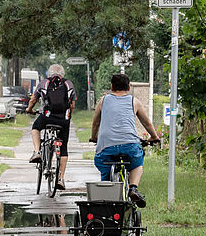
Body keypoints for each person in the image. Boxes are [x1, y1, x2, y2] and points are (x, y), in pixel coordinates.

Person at [90, 73, 160, 208]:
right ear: (128, 87)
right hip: (130, 145)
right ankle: (133, 188)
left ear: (111, 87)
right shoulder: (134, 101)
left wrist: (94, 137)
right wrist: (154, 137)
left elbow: (95, 122)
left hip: (106, 147)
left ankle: (106, 191)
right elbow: (147, 123)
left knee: (103, 164)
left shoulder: (103, 101)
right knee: (137, 163)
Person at [27, 64, 76, 190]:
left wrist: (29, 109)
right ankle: (60, 178)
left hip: (47, 117)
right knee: (63, 148)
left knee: (35, 127)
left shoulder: (44, 83)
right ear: (62, 74)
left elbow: (33, 100)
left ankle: (37, 152)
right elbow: (72, 105)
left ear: (50, 73)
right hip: (64, 120)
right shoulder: (68, 84)